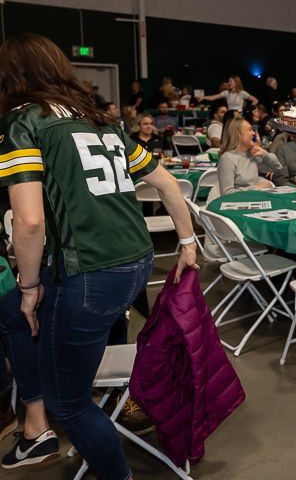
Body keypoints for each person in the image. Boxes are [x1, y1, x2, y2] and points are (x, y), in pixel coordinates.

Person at [0, 33, 197, 474]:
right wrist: (186, 242)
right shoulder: (99, 119)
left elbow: (29, 222)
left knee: (66, 404)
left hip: (90, 268)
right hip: (137, 258)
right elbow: (166, 183)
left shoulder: (22, 120)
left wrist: (28, 286)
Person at [217, 118, 281, 194]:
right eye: (250, 130)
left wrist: (264, 154)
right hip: (238, 203)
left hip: (255, 200)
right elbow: (226, 193)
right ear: (239, 134)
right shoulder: (227, 158)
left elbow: (277, 168)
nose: (254, 133)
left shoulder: (251, 155)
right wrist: (257, 188)